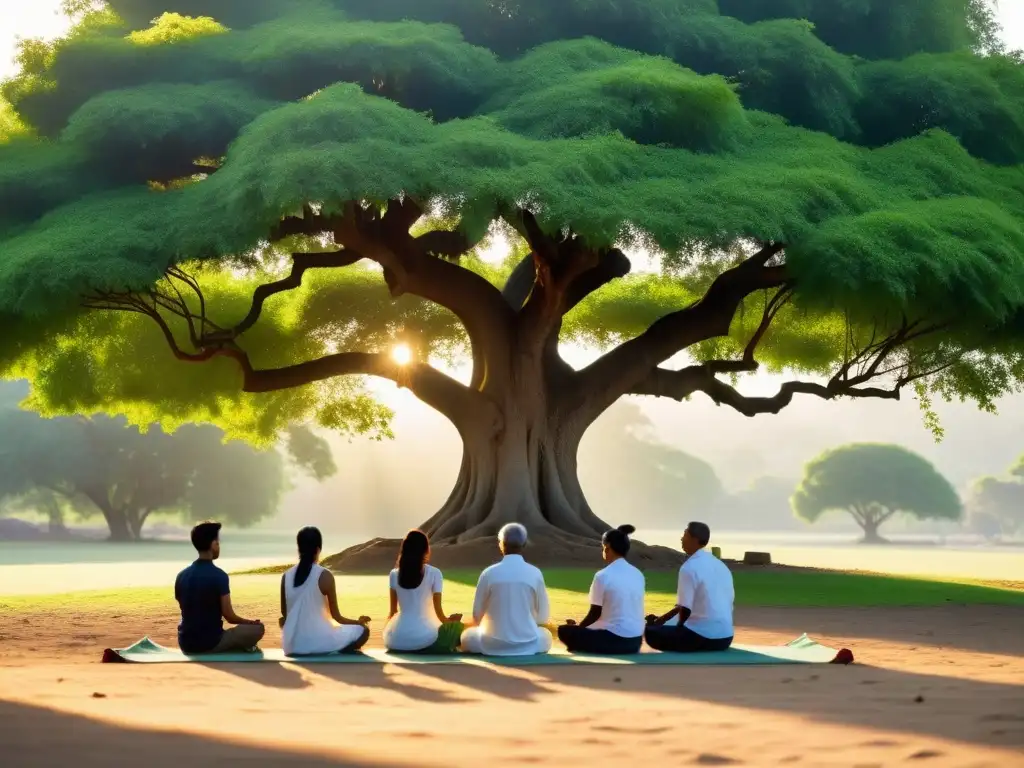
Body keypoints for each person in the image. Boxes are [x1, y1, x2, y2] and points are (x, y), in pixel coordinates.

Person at [460, 523, 552, 656]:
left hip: (491, 645)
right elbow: (543, 617)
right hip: (527, 644)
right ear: (524, 545)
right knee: (545, 635)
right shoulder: (535, 573)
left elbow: (477, 615)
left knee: (468, 635)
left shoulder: (488, 573)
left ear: (501, 544)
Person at [174, 521, 265, 654]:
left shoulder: (181, 575)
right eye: (218, 542)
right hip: (211, 642)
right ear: (213, 544)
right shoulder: (219, 576)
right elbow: (229, 616)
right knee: (258, 629)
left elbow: (183, 604)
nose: (219, 545)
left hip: (185, 643)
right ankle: (238, 646)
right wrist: (250, 623)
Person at [279, 526, 371, 656]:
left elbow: (285, 613)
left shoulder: (286, 576)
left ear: (299, 549)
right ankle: (340, 648)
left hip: (291, 646)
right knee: (364, 630)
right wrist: (358, 622)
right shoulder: (324, 575)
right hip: (320, 643)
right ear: (318, 549)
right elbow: (337, 617)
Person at [644, 521, 734, 652]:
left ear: (694, 539)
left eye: (685, 535)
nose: (682, 538)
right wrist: (661, 620)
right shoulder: (721, 566)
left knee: (650, 632)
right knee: (663, 624)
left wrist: (668, 628)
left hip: (700, 638)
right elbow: (682, 608)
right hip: (725, 639)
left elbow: (684, 610)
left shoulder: (689, 567)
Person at [557, 524, 645, 654]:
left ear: (607, 547)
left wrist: (579, 629)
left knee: (564, 630)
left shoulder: (602, 575)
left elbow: (595, 613)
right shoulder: (638, 574)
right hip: (636, 642)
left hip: (614, 641)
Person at [383, 529, 464, 653]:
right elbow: (439, 614)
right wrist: (452, 623)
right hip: (425, 638)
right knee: (459, 629)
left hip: (397, 640)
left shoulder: (394, 574)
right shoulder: (435, 573)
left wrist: (390, 633)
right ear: (425, 550)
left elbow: (392, 612)